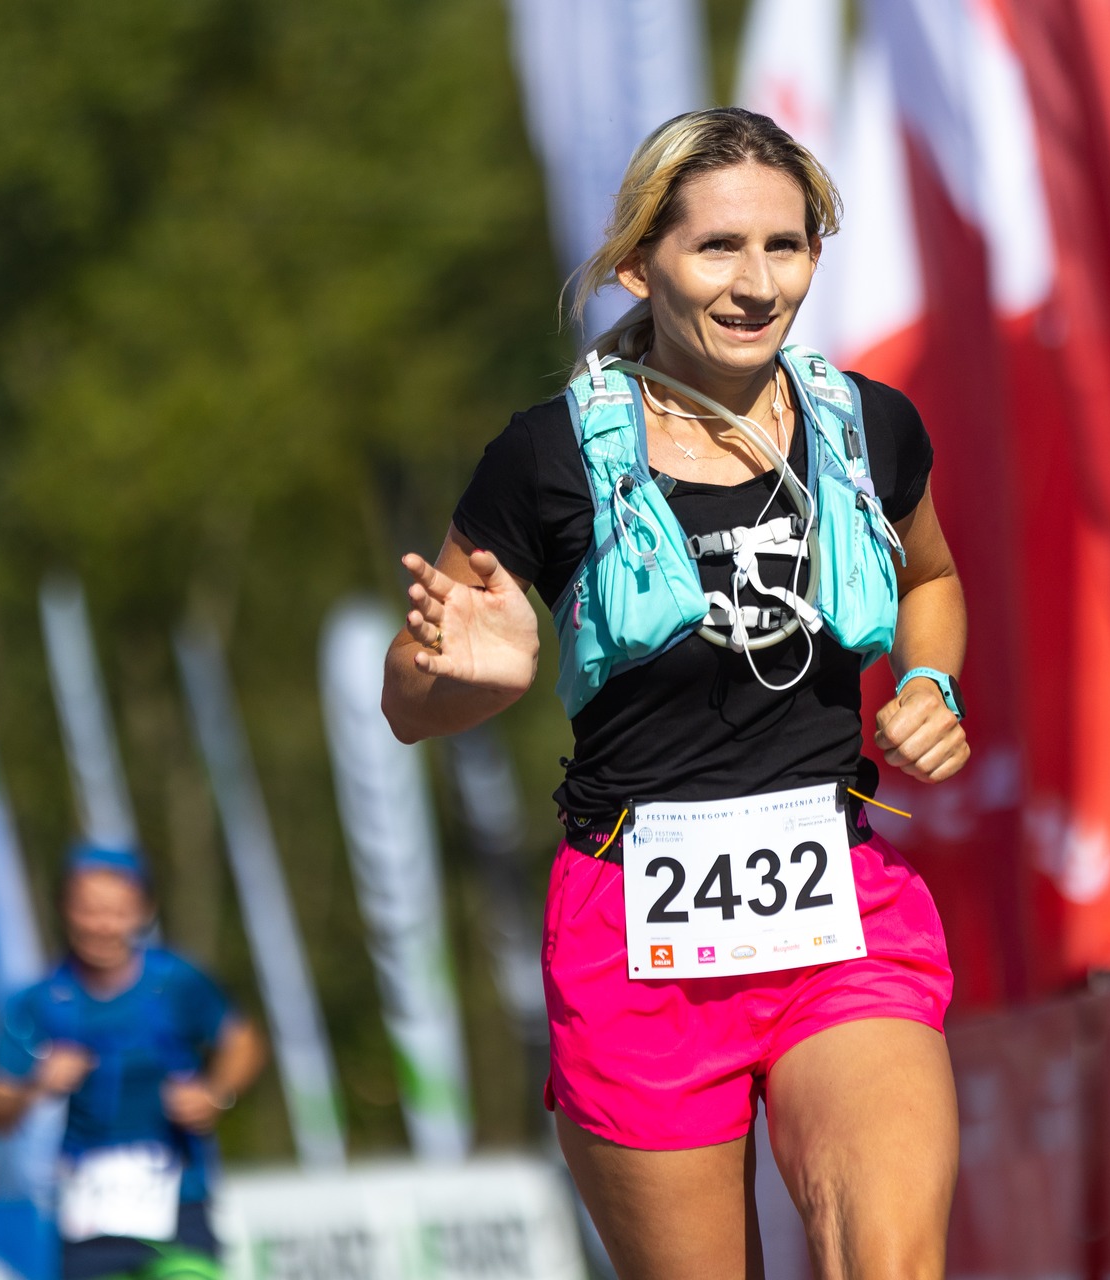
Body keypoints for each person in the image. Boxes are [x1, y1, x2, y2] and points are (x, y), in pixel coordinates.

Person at [383, 107, 969, 1278]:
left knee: (890, 1260)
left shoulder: (869, 428)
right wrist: (463, 675)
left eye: (785, 245)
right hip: (635, 933)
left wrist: (928, 680)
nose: (757, 284)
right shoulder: (546, 458)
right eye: (718, 248)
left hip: (837, 915)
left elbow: (932, 577)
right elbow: (409, 700)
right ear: (638, 265)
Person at [0, 845, 266, 1280]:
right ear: (65, 910)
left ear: (145, 911)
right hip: (86, 1216)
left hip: (177, 1201)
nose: (102, 925)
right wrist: (37, 1085)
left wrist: (215, 1093)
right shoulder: (37, 1002)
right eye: (88, 910)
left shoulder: (176, 982)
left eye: (117, 912)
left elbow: (243, 1041)